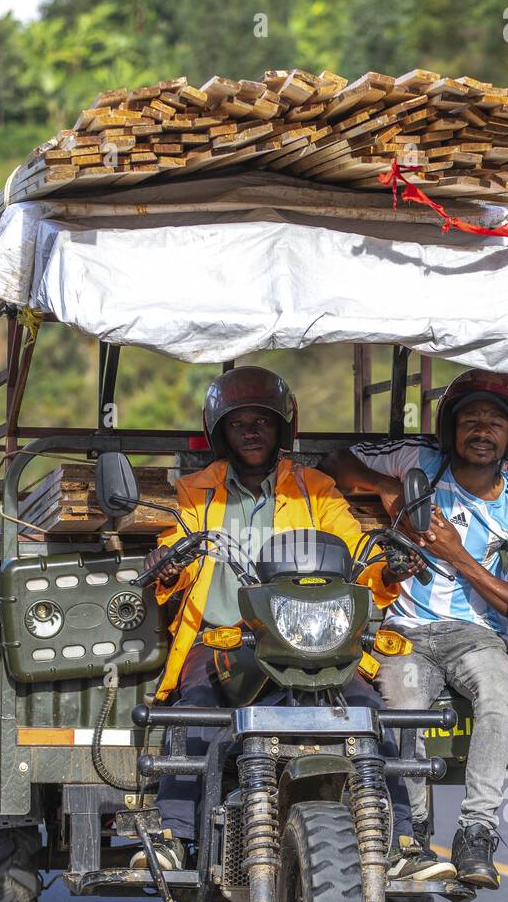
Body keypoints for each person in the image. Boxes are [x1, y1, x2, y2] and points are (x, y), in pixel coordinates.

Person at [134, 365, 416, 871]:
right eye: (238, 421)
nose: (251, 430)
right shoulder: (196, 490)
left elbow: (360, 555)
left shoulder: (316, 489)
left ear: (282, 427)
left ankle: (399, 843)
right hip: (222, 639)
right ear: (220, 430)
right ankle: (170, 835)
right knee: (195, 709)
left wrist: (388, 568)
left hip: (311, 641)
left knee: (364, 710)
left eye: (262, 420)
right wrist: (168, 562)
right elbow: (173, 547)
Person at [320, 368, 508, 889]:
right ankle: (413, 834)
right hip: (406, 630)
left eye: (495, 422)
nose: (482, 431)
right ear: (449, 428)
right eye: (470, 420)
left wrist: (457, 557)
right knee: (402, 704)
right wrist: (388, 490)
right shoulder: (416, 459)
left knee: (497, 694)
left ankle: (476, 833)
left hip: (474, 635)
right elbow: (334, 461)